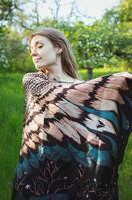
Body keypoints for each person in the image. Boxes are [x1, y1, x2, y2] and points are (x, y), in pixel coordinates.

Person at [12, 27, 132, 200]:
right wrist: (118, 80)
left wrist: (123, 89)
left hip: (74, 166)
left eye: (39, 46)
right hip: (38, 168)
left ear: (58, 47)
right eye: (31, 50)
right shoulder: (33, 80)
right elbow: (60, 94)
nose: (34, 53)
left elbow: (97, 126)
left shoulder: (82, 87)